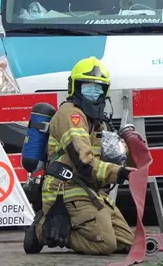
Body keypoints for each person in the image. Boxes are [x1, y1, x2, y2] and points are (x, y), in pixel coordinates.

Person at [25, 56, 135, 255]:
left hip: (91, 192)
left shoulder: (96, 121)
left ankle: (75, 227)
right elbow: (83, 161)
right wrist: (119, 173)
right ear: (75, 87)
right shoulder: (71, 115)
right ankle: (43, 229)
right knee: (106, 244)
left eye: (99, 88)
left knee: (128, 242)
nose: (94, 92)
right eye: (87, 86)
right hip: (66, 191)